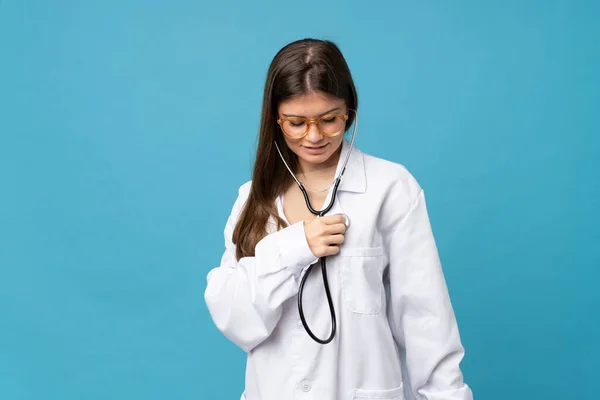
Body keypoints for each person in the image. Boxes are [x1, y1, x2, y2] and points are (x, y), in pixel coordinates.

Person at [204, 38, 473, 400]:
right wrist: (293, 248)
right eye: (296, 123)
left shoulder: (390, 188)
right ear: (275, 119)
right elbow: (237, 320)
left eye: (330, 120)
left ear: (350, 111)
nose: (314, 136)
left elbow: (426, 319)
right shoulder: (254, 199)